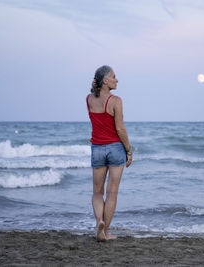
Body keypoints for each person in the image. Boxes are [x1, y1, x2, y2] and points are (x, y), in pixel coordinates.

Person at [86, 65, 132, 241]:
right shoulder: (116, 101)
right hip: (115, 148)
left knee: (97, 192)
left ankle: (99, 222)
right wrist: (129, 150)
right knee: (112, 192)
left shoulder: (89, 99)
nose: (116, 79)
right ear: (105, 81)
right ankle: (105, 232)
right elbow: (120, 129)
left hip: (97, 148)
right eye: (113, 76)